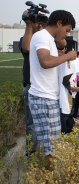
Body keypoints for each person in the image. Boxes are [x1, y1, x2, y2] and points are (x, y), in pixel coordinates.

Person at [28, 10, 77, 157]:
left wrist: (61, 55)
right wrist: (67, 56)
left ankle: (49, 175)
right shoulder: (41, 36)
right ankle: (46, 176)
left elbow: (49, 60)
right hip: (42, 98)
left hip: (49, 97)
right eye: (67, 30)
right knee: (48, 148)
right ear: (59, 23)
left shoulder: (48, 38)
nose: (66, 34)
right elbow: (45, 61)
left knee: (53, 144)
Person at [19, 10, 48, 155]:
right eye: (38, 23)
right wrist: (29, 24)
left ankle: (45, 153)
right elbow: (26, 48)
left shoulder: (47, 40)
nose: (39, 26)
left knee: (47, 123)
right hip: (31, 87)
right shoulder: (28, 38)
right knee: (31, 124)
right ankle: (31, 154)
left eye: (42, 24)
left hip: (46, 87)